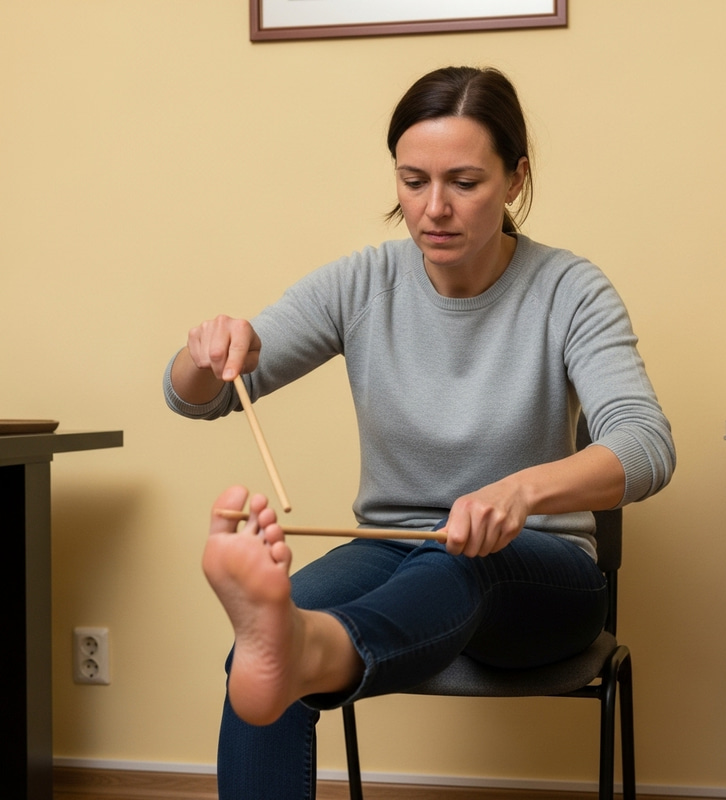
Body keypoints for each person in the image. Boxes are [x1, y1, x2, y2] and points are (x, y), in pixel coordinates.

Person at [164, 66, 675, 800]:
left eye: (464, 182)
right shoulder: (362, 284)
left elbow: (647, 444)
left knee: (460, 563)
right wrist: (206, 351)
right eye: (413, 181)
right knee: (260, 661)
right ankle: (296, 648)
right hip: (392, 552)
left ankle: (310, 649)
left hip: (540, 575)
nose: (433, 208)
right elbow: (198, 399)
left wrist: (521, 492)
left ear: (515, 178)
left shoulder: (570, 289)